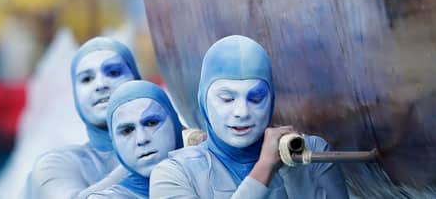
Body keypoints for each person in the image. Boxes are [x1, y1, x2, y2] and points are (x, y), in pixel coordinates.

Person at [149, 35, 348, 198]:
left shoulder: (311, 153)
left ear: (271, 100)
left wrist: (292, 171)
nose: (242, 112)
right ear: (203, 101)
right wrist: (264, 167)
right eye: (227, 99)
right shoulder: (174, 174)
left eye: (256, 98)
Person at [26, 37, 142, 199]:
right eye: (87, 79)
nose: (100, 84)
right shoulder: (55, 165)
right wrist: (140, 163)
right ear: (75, 95)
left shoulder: (179, 146)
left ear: (138, 81)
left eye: (114, 72)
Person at [85, 80, 184, 198]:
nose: (142, 139)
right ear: (114, 142)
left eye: (151, 123)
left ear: (175, 123)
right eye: (127, 131)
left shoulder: (208, 172)